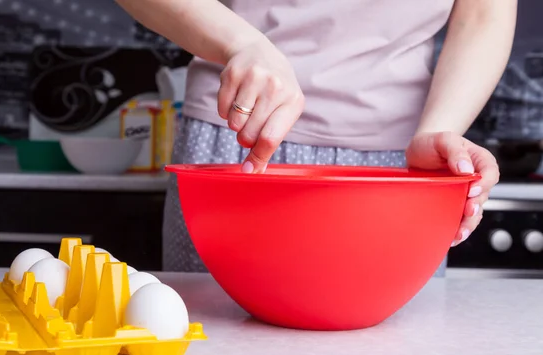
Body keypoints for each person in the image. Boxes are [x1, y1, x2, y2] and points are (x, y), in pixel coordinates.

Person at [116, 0, 517, 274]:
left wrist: (440, 128)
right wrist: (244, 44)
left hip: (405, 166)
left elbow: (485, 14)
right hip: (238, 132)